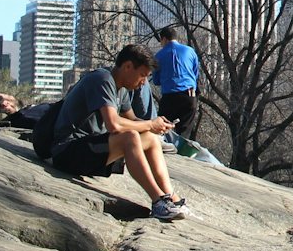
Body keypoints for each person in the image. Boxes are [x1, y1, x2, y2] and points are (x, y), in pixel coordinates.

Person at [50, 44, 190, 222]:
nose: (143, 83)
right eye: (142, 75)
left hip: (90, 149)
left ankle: (171, 197)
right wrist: (149, 123)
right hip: (68, 151)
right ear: (128, 66)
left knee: (151, 137)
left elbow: (132, 121)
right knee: (129, 137)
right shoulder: (102, 79)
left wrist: (157, 125)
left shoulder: (121, 88)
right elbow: (114, 124)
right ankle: (158, 202)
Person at [153, 26, 201, 140]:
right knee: (184, 132)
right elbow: (195, 74)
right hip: (188, 95)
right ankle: (183, 152)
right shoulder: (190, 51)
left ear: (163, 39)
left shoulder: (159, 56)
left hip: (169, 97)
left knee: (162, 129)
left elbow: (156, 80)